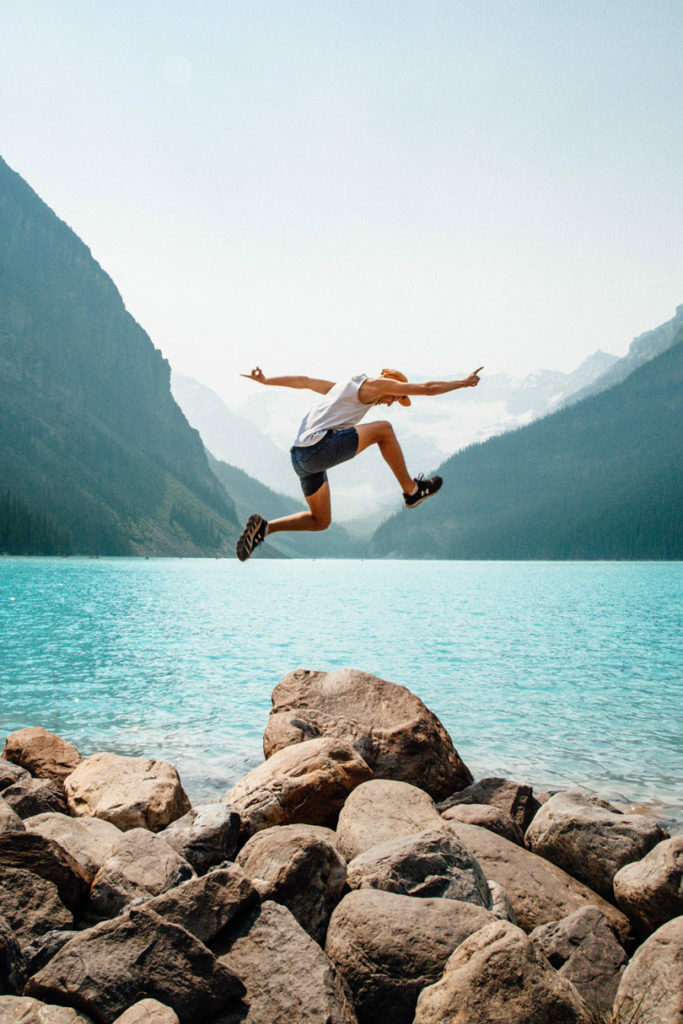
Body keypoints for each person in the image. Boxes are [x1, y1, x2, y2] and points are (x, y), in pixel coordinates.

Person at [235, 365, 483, 561]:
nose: (391, 402)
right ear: (391, 383)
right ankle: (412, 491)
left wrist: (267, 381)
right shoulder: (376, 384)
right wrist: (463, 383)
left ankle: (264, 529)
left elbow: (305, 382)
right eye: (396, 397)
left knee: (320, 521)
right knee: (384, 430)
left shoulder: (342, 388)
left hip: (300, 458)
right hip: (316, 449)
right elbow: (427, 388)